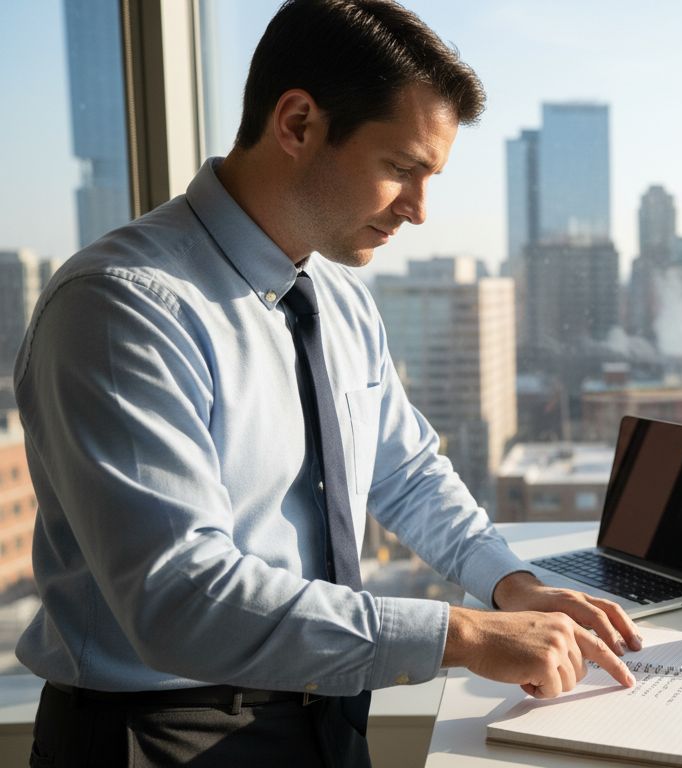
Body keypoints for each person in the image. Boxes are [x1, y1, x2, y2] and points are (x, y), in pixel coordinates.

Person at [14, 2, 638, 765]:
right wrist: (463, 635)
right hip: (160, 734)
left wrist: (508, 582)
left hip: (325, 710)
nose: (417, 209)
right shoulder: (121, 309)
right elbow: (179, 598)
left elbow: (405, 474)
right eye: (401, 168)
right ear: (298, 123)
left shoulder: (336, 295)